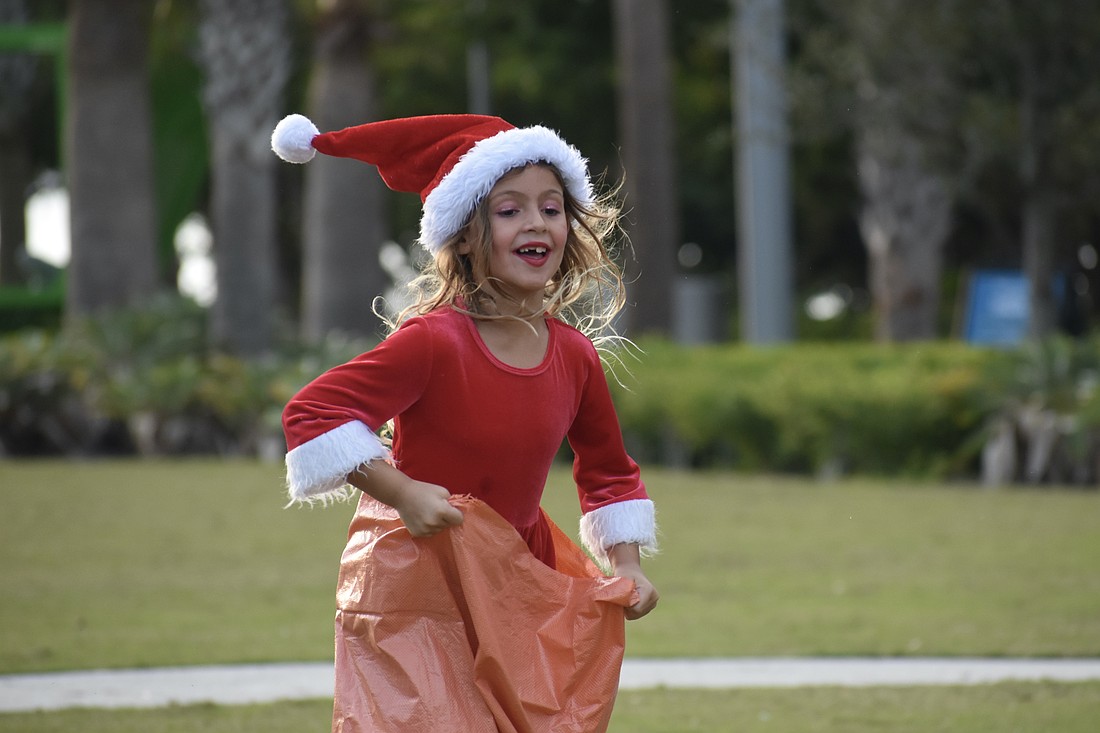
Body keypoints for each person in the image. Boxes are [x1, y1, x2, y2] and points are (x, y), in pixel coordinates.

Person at [272, 113, 659, 732]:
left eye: (551, 207)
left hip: (516, 580)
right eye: (509, 210)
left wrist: (629, 563)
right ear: (465, 237)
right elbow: (312, 412)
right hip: (414, 580)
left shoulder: (575, 356)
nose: (535, 222)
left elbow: (610, 473)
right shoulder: (433, 343)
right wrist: (400, 492)